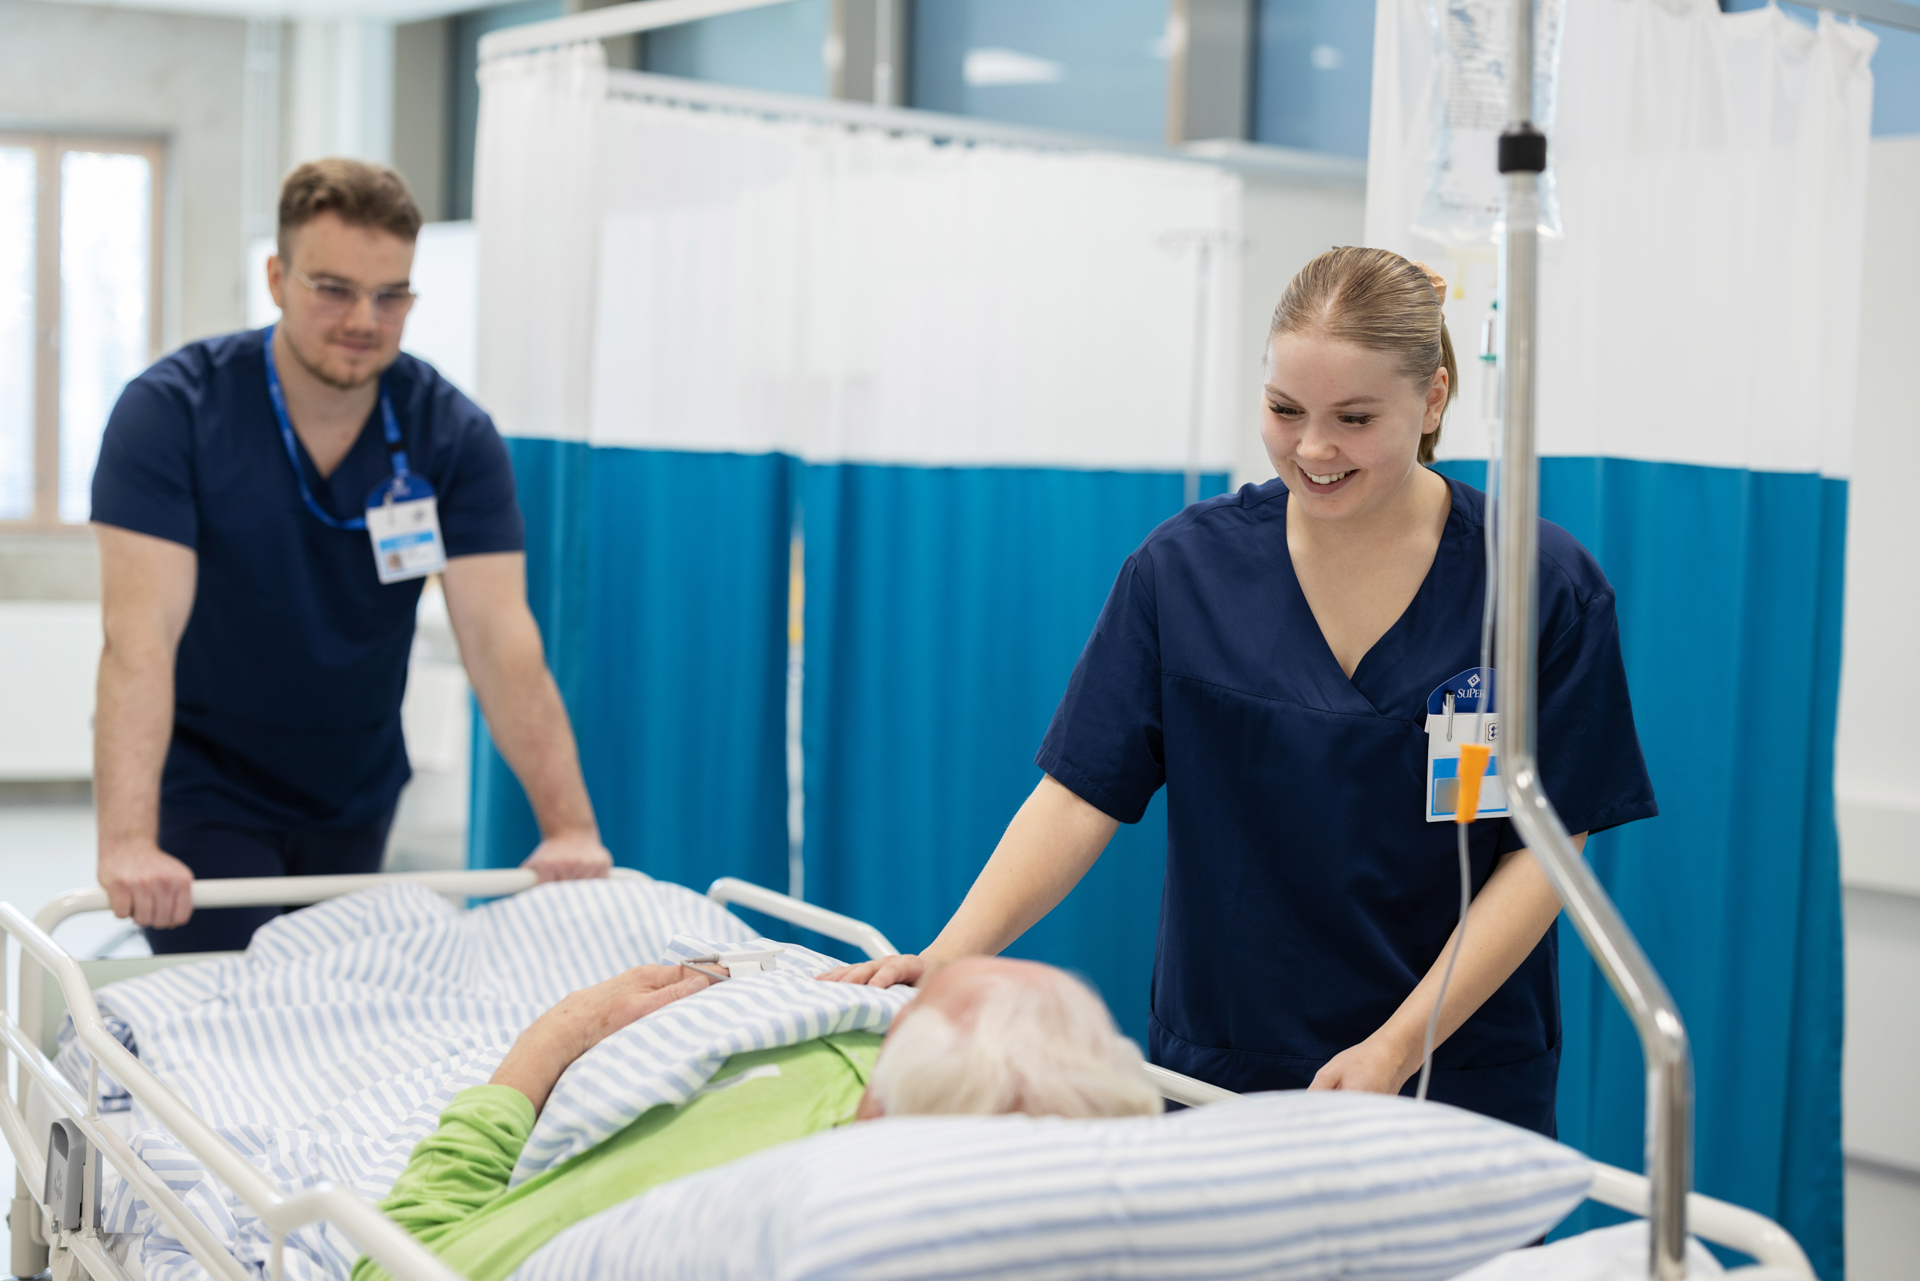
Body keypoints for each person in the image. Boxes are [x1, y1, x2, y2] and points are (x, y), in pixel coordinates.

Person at [825, 246, 1657, 1137]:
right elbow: (1078, 793)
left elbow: (1547, 853)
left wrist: (1396, 1047)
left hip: (1454, 1075)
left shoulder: (1538, 587)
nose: (1313, 448)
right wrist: (951, 955)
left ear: (1433, 400)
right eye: (1284, 409)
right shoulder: (1185, 573)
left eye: (1354, 418)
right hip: (1228, 1069)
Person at [89, 159, 610, 952]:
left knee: (331, 1000)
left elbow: (500, 639)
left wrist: (569, 827)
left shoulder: (452, 435)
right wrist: (128, 840)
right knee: (237, 994)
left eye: (391, 294)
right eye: (333, 289)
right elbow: (139, 639)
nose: (364, 319)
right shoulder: (172, 414)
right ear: (276, 278)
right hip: (206, 781)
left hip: (355, 784)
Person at [353, 956, 1160, 1281]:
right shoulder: (1025, 1105)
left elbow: (397, 1262)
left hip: (554, 1045)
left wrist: (555, 1036)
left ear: (874, 1113)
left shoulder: (697, 1208)